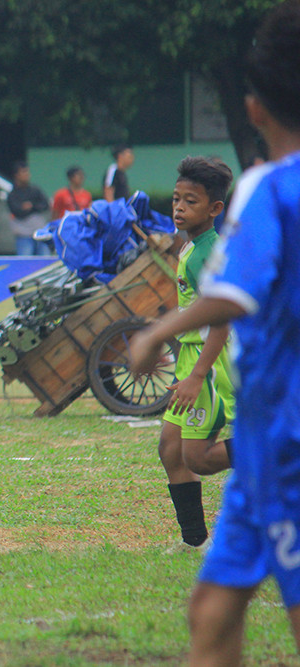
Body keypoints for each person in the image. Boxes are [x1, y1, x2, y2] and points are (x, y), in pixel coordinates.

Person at [129, 3, 300, 662]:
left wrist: (160, 335)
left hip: (283, 433)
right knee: (210, 611)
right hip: (263, 444)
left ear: (255, 108)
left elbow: (232, 292)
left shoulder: (268, 186)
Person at [157, 156, 235, 552]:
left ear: (215, 209)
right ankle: (195, 543)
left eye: (190, 201)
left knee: (199, 458)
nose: (179, 208)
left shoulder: (209, 252)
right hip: (191, 359)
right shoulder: (191, 246)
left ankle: (274, 449)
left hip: (209, 362)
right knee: (171, 449)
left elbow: (220, 320)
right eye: (176, 200)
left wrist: (197, 375)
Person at [6, 161, 52, 256]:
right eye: (23, 172)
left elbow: (45, 205)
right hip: (23, 234)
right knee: (25, 260)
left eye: (27, 172)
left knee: (44, 259)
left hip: (40, 233)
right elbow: (17, 211)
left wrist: (31, 206)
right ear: (17, 175)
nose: (27, 175)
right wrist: (31, 208)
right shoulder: (13, 194)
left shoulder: (35, 190)